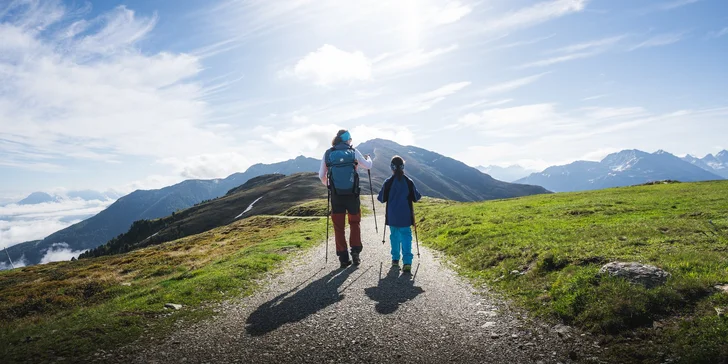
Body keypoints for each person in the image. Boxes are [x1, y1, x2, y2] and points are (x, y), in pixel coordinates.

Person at [319, 129, 373, 268]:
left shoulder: (328, 153)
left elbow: (321, 175)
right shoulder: (354, 151)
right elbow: (368, 166)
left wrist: (330, 186)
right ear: (347, 140)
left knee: (339, 226)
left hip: (337, 195)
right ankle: (355, 253)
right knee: (354, 223)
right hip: (352, 194)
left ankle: (343, 258)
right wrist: (368, 158)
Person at [377, 155, 422, 272]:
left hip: (392, 216)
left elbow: (381, 198)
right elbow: (416, 198)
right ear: (403, 167)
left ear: (391, 167)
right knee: (406, 237)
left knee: (394, 237)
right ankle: (407, 262)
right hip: (406, 216)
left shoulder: (388, 182)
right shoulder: (408, 181)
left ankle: (395, 260)